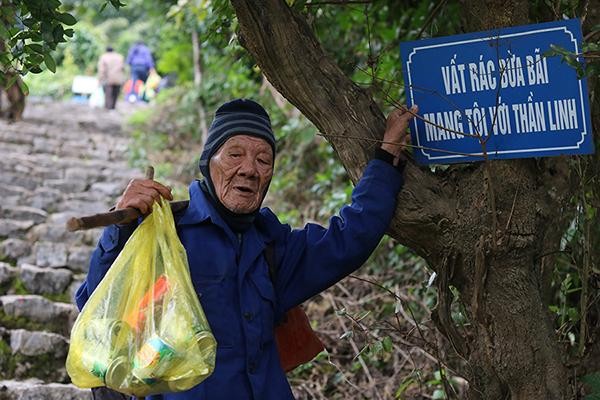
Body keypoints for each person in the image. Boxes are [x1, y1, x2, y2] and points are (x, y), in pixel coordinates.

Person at [75, 98, 417, 400]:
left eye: (263, 160)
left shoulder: (274, 247)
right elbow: (97, 306)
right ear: (209, 162)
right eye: (235, 154)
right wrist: (121, 230)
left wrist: (386, 158)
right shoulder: (166, 236)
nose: (250, 170)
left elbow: (350, 239)